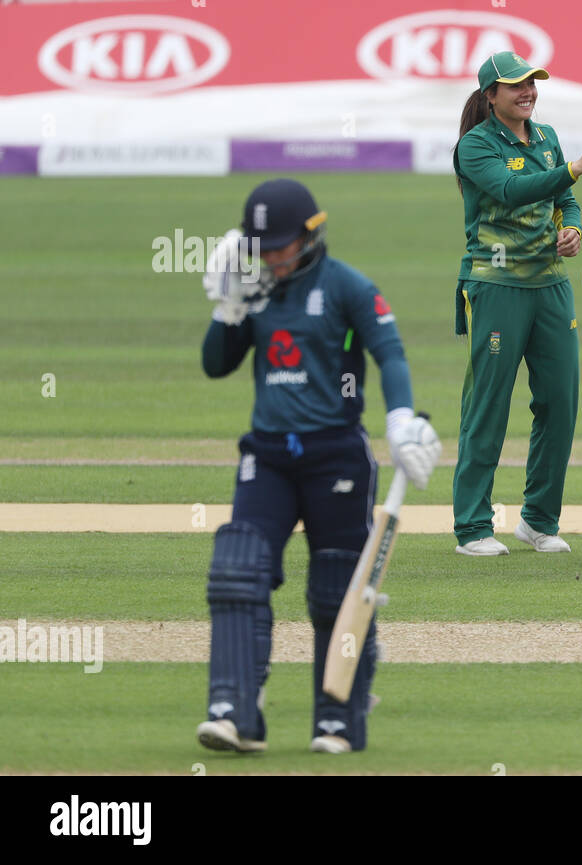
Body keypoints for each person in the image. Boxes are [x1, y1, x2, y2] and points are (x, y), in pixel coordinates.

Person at [196, 178, 439, 754]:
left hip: (336, 456)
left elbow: (390, 352)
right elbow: (215, 365)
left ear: (311, 234)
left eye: (280, 246)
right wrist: (227, 309)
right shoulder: (254, 291)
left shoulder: (347, 286)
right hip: (269, 455)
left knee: (337, 589)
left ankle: (338, 714)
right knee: (237, 570)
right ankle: (234, 711)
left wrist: (401, 419)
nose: (271, 258)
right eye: (262, 247)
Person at [451, 51, 582, 557]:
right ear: (490, 95)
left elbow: (565, 201)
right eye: (515, 85)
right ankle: (473, 526)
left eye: (532, 82)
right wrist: (575, 170)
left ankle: (538, 520)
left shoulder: (547, 137)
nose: (527, 91)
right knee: (489, 404)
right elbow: (511, 190)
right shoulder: (474, 146)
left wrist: (572, 225)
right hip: (495, 285)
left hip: (550, 286)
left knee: (560, 402)